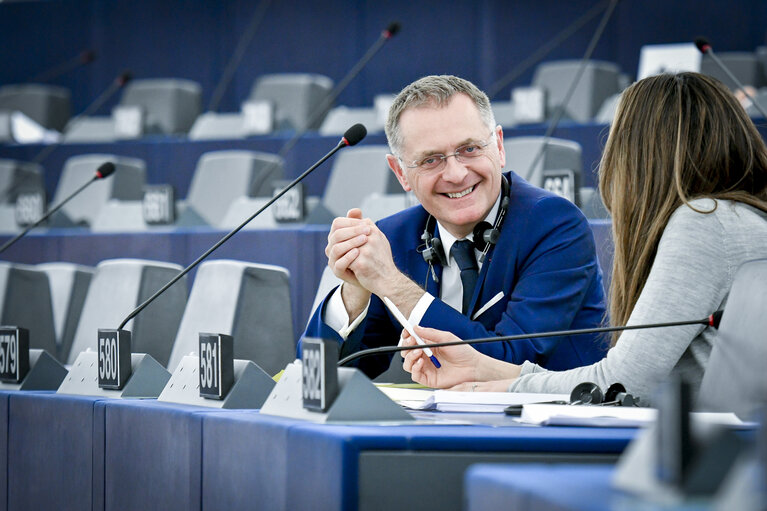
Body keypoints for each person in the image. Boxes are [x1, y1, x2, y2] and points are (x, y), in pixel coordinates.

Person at [402, 72, 767, 403]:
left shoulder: (704, 222)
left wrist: (489, 388)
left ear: (639, 158)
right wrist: (481, 368)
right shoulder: (736, 219)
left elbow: (622, 383)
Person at [299, 75, 607, 379]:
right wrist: (355, 291)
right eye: (431, 160)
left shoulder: (555, 225)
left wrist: (392, 284)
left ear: (498, 147)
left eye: (470, 149)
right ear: (400, 172)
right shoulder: (393, 237)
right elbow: (316, 376)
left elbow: (514, 361)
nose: (457, 174)